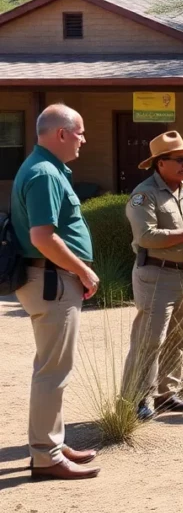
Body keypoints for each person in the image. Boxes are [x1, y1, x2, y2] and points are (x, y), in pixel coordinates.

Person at [12, 104, 101, 480]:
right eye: (79, 132)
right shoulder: (45, 173)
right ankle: (46, 456)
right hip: (52, 281)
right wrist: (83, 270)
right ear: (62, 133)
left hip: (49, 279)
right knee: (53, 371)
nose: (83, 139)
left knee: (53, 368)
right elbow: (42, 237)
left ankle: (52, 442)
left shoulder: (43, 167)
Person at [122, 131, 183, 420]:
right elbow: (147, 236)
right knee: (150, 338)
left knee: (179, 336)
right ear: (160, 163)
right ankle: (137, 398)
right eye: (179, 159)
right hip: (156, 273)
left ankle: (166, 394)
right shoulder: (143, 195)